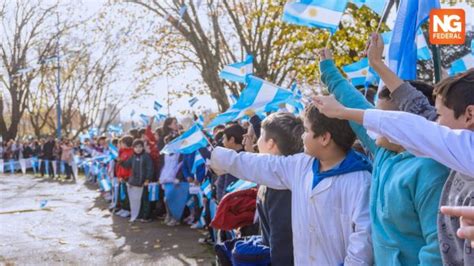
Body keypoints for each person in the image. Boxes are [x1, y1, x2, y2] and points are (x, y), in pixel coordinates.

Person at [315, 38, 474, 264]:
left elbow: (413, 124)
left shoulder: (435, 163)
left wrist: (344, 112)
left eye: (438, 115)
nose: (433, 121)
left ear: (469, 115)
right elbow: (414, 106)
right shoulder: (387, 153)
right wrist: (372, 64)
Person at [210, 105, 373, 265]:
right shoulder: (301, 165)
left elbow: (363, 240)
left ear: (324, 138)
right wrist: (218, 156)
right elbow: (260, 164)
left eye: (307, 131)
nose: (302, 136)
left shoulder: (360, 181)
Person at [254, 112, 304, 266]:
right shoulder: (275, 176)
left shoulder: (279, 184)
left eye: (261, 136)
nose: (257, 141)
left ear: (270, 143)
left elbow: (282, 238)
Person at [119, 139, 153, 223]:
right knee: (136, 199)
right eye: (136, 147)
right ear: (133, 148)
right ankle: (139, 215)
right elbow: (127, 165)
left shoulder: (146, 156)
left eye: (140, 147)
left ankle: (146, 216)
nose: (138, 149)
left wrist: (148, 179)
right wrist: (120, 162)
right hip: (134, 182)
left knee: (145, 199)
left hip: (144, 182)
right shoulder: (133, 156)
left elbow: (150, 168)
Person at [215, 124, 246, 201]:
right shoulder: (233, 157)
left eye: (224, 138)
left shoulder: (234, 160)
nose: (222, 142)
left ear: (232, 139)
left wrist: (222, 203)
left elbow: (228, 186)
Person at [115, 135, 134, 218]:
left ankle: (128, 210)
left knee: (127, 195)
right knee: (123, 194)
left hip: (128, 177)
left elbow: (128, 166)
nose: (120, 145)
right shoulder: (122, 152)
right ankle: (124, 208)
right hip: (122, 177)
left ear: (126, 143)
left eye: (122, 143)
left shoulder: (131, 153)